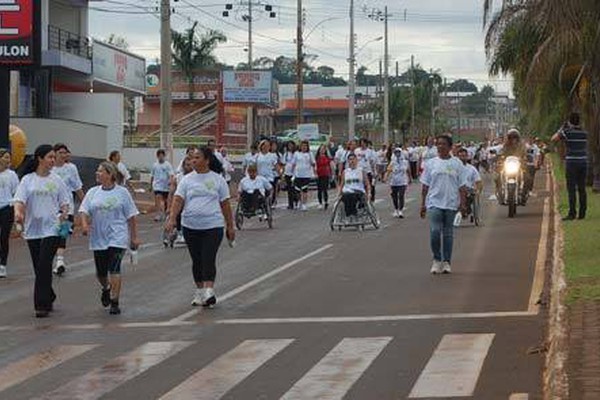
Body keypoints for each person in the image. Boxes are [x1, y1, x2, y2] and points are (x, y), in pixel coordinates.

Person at [166, 147, 235, 307]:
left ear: (207, 160)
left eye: (197, 158)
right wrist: (172, 219)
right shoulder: (187, 180)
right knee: (196, 260)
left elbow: (225, 205)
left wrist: (230, 226)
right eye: (192, 158)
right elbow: (178, 200)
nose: (193, 161)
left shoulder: (218, 180)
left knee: (208, 257)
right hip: (190, 226)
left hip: (213, 226)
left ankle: (209, 291)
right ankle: (199, 290)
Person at [13, 145, 71, 318]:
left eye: (54, 157)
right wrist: (18, 213)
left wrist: (63, 214)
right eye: (50, 157)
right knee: (39, 268)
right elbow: (19, 200)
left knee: (45, 264)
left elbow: (65, 202)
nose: (53, 160)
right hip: (33, 229)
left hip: (52, 228)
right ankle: (49, 294)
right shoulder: (27, 180)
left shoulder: (57, 180)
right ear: (39, 158)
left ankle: (41, 305)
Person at [79, 162, 140, 315]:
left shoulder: (122, 193)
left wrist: (134, 237)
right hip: (98, 237)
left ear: (110, 174)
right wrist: (85, 224)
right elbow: (84, 211)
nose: (97, 174)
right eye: (97, 171)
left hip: (117, 236)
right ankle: (106, 288)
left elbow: (131, 216)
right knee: (101, 272)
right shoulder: (93, 192)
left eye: (100, 171)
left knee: (114, 268)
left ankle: (115, 301)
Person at [420, 135, 468, 275]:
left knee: (448, 234)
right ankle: (436, 259)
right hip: (434, 202)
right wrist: (423, 204)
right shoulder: (431, 163)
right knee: (435, 232)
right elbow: (425, 185)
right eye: (438, 144)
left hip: (451, 203)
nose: (440, 146)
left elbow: (462, 186)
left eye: (443, 144)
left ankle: (446, 262)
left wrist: (463, 204)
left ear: (450, 146)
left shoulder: (457, 164)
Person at [51, 143, 84, 276]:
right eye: (61, 152)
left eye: (65, 152)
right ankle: (53, 261)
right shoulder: (49, 168)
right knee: (52, 236)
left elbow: (78, 187)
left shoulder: (71, 168)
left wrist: (86, 204)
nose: (64, 155)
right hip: (51, 209)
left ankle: (60, 262)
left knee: (62, 234)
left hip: (67, 209)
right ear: (54, 153)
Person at [552, 112, 589, 220]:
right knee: (582, 188)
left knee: (571, 189)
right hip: (583, 162)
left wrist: (562, 128)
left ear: (569, 122)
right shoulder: (584, 133)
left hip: (572, 163)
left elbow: (553, 139)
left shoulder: (567, 132)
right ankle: (582, 213)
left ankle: (572, 213)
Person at [0, 149, 18, 278]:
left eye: (9, 158)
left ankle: (2, 266)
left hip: (7, 208)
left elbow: (16, 192)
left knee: (3, 237)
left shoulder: (11, 175)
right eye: (5, 157)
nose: (8, 160)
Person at [168, 156, 194, 245]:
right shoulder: (179, 177)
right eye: (186, 165)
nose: (188, 167)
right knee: (179, 213)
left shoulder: (197, 177)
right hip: (180, 200)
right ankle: (180, 233)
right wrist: (169, 205)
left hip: (192, 202)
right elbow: (172, 191)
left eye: (190, 165)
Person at [338, 153, 371, 219]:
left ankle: (353, 214)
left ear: (356, 160)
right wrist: (339, 193)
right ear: (348, 161)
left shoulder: (361, 170)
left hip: (358, 192)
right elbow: (342, 184)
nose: (352, 161)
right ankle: (349, 214)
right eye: (350, 159)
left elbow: (367, 183)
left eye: (353, 159)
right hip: (347, 191)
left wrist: (369, 193)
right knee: (346, 196)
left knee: (352, 197)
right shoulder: (345, 172)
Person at [385, 148, 411, 218]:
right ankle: (396, 209)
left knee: (401, 195)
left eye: (399, 152)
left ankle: (400, 210)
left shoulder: (405, 162)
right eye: (396, 152)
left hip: (403, 181)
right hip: (394, 182)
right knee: (394, 196)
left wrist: (410, 179)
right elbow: (388, 171)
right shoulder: (392, 162)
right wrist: (385, 177)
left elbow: (408, 170)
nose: (397, 154)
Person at [457, 148, 483, 218]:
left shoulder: (472, 169)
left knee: (467, 193)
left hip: (468, 189)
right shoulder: (454, 168)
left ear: (467, 157)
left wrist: (478, 190)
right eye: (461, 156)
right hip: (456, 189)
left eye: (464, 156)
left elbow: (478, 181)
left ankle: (466, 208)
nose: (462, 158)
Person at [151, 149, 174, 222]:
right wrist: (150, 184)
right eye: (159, 156)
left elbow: (171, 174)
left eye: (162, 156)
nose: (161, 157)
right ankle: (158, 214)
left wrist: (170, 181)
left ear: (164, 156)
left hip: (166, 186)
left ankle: (166, 214)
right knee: (158, 198)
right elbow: (152, 175)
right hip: (157, 185)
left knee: (166, 201)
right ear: (157, 156)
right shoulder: (155, 165)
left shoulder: (167, 165)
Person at [292, 140, 316, 211]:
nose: (304, 147)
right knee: (298, 190)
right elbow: (293, 164)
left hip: (306, 175)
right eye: (302, 146)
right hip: (298, 174)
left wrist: (314, 171)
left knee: (304, 189)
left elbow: (313, 163)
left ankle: (304, 204)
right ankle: (299, 201)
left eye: (305, 146)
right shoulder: (296, 154)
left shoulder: (309, 154)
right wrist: (292, 173)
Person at [316, 144, 333, 210]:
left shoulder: (327, 157)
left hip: (325, 174)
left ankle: (326, 201)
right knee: (319, 189)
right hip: (319, 174)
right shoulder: (317, 157)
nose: (322, 151)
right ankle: (320, 203)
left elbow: (331, 166)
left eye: (323, 149)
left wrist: (331, 174)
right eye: (321, 149)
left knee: (325, 189)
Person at [282, 141, 297, 210]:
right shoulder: (286, 154)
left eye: (291, 145)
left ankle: (296, 200)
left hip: (295, 173)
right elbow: (284, 164)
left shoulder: (296, 154)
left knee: (295, 188)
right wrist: (283, 173)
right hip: (288, 173)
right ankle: (290, 204)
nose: (290, 147)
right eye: (289, 145)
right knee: (289, 189)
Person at [269, 140, 283, 205]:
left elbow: (281, 164)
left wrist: (281, 173)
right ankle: (270, 200)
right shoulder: (268, 154)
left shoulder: (278, 155)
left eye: (275, 146)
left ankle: (274, 200)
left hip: (276, 173)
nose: (274, 147)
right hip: (269, 173)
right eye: (272, 146)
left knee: (275, 188)